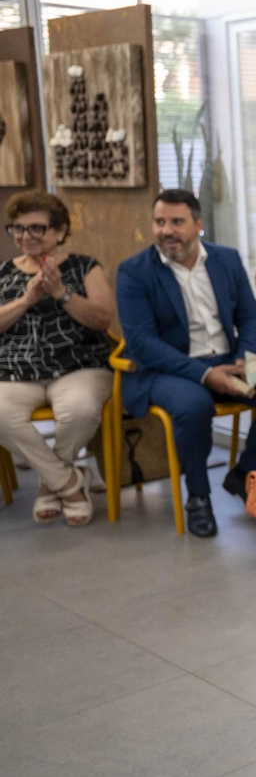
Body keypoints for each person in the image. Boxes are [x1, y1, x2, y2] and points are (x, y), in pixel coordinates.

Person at [116, 189, 256, 537]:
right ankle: (198, 496)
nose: (167, 230)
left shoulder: (227, 258)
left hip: (229, 359)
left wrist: (246, 357)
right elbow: (142, 343)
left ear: (198, 224)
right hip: (167, 369)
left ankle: (244, 475)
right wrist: (205, 374)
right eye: (160, 222)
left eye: (177, 222)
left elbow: (249, 316)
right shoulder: (134, 272)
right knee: (194, 406)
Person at [0, 191, 114, 527]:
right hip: (15, 371)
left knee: (80, 410)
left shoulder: (85, 266)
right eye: (18, 229)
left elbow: (103, 319)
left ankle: (50, 485)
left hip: (79, 366)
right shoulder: (4, 271)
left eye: (36, 228)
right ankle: (68, 483)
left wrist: (60, 293)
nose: (25, 237)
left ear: (60, 230)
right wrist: (26, 299)